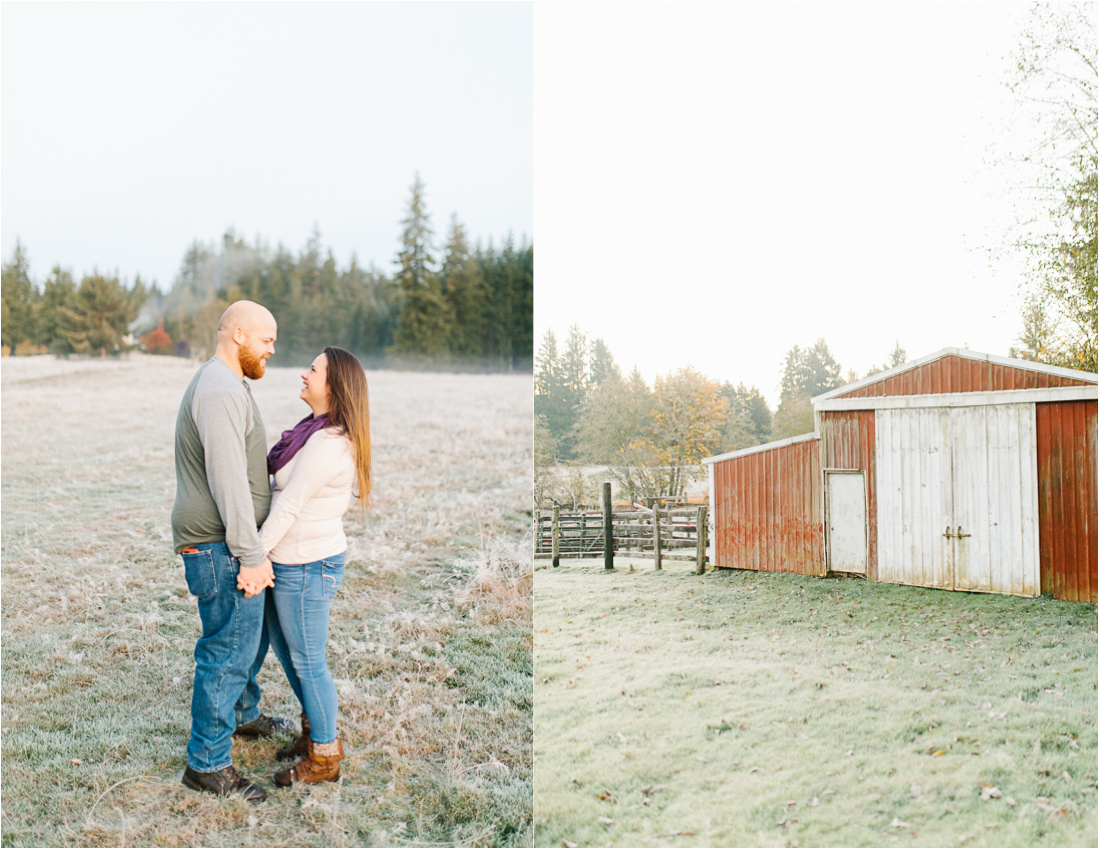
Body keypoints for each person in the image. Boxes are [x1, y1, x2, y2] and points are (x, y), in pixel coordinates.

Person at [172, 300, 295, 803]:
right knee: (228, 649)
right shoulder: (220, 388)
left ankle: (243, 716)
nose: (271, 349)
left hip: (228, 543)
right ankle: (207, 765)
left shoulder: (227, 383)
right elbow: (228, 480)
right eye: (266, 340)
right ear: (239, 334)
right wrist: (250, 553)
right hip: (221, 545)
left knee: (247, 637)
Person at [256, 346, 372, 786]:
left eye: (313, 369)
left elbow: (288, 507)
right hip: (291, 561)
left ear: (334, 384)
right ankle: (313, 734)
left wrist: (253, 557)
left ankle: (325, 758)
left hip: (306, 565)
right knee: (290, 655)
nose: (303, 374)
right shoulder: (311, 431)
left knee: (308, 662)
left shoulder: (328, 443)